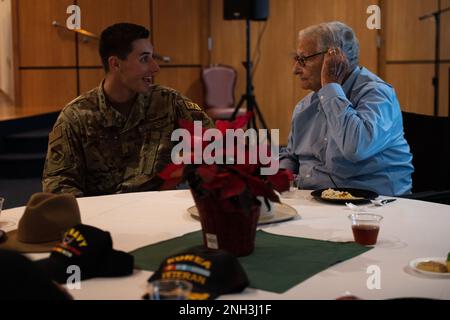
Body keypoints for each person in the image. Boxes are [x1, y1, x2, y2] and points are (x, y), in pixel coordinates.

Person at [42, 23, 214, 197]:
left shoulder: (169, 101)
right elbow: (58, 184)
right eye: (144, 59)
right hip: (102, 218)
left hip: (158, 214)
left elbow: (215, 144)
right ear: (115, 64)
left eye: (152, 57)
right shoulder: (75, 116)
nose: (155, 67)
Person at [280, 21, 413, 196]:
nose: (295, 69)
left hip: (375, 206)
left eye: (303, 59)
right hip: (315, 203)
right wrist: (278, 179)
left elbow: (356, 148)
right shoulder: (304, 107)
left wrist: (330, 86)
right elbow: (291, 157)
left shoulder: (378, 95)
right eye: (296, 59)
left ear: (334, 57)